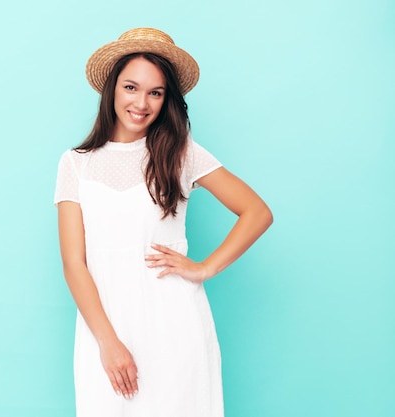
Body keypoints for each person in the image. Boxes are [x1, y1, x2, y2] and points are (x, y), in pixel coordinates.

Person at [54, 28, 273, 417]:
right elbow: (74, 263)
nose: (142, 103)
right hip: (104, 325)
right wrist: (107, 342)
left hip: (174, 322)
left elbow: (257, 212)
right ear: (112, 90)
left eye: (155, 92)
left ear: (167, 99)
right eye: (131, 87)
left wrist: (205, 268)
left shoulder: (180, 152)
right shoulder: (76, 162)